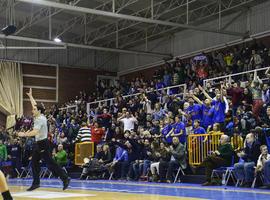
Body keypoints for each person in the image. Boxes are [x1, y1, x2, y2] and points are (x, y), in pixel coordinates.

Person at [18, 88, 70, 191]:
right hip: (38, 144)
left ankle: (65, 178)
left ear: (39, 111)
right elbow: (35, 104)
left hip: (43, 144)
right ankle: (36, 183)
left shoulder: (40, 120)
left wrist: (23, 134)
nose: (32, 110)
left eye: (34, 109)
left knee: (50, 164)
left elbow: (35, 132)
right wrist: (30, 96)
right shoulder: (38, 114)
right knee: (34, 163)